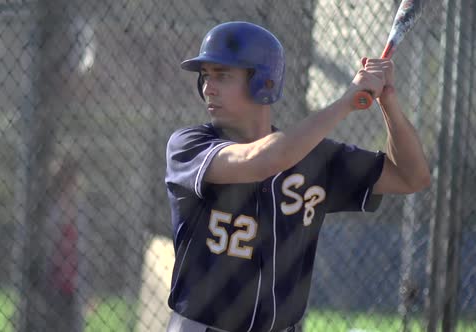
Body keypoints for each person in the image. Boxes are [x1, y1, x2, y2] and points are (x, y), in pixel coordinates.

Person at [164, 21, 430, 332]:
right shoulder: (189, 146)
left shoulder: (317, 159)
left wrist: (388, 102)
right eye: (205, 76)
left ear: (263, 82)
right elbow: (265, 159)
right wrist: (346, 101)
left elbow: (413, 177)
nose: (208, 87)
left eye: (222, 75)